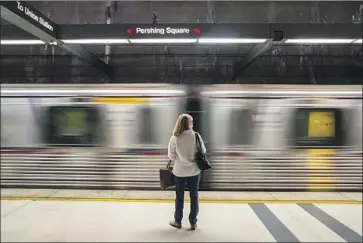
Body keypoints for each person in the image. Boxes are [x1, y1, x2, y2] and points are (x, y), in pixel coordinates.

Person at [167, 113, 206, 230]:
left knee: (179, 197)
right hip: (194, 171)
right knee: (194, 197)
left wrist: (181, 158)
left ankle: (178, 221)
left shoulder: (174, 138)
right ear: (190, 124)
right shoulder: (196, 136)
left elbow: (171, 156)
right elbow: (203, 151)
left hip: (179, 172)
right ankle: (193, 222)